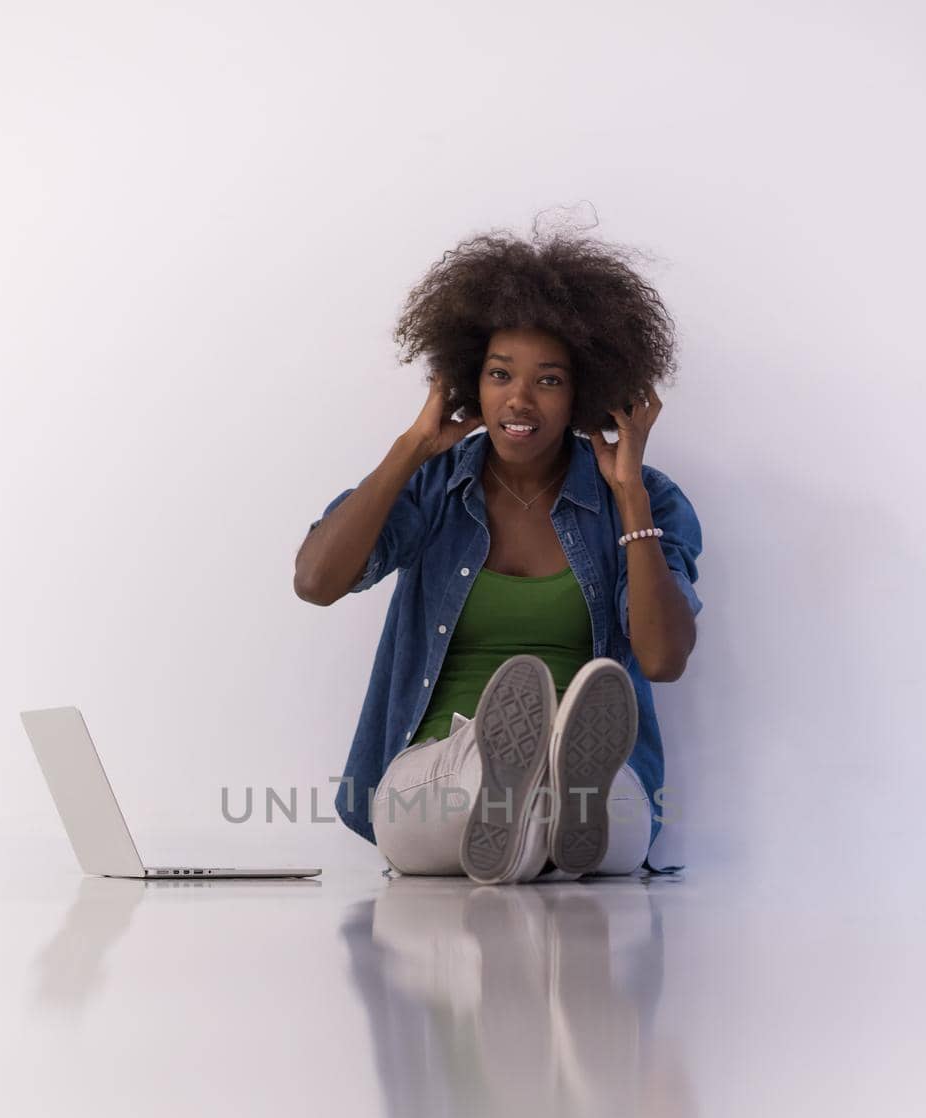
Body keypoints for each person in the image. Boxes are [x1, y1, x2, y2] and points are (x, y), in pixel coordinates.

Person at [294, 217, 704, 884]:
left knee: (604, 812)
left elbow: (660, 658)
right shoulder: (430, 488)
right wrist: (414, 448)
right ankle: (531, 793)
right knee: (486, 779)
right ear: (467, 383)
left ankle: (546, 801)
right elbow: (316, 581)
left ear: (584, 393)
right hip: (438, 768)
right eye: (499, 374)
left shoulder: (649, 500)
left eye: (548, 379)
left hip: (597, 791)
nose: (520, 397)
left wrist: (628, 497)